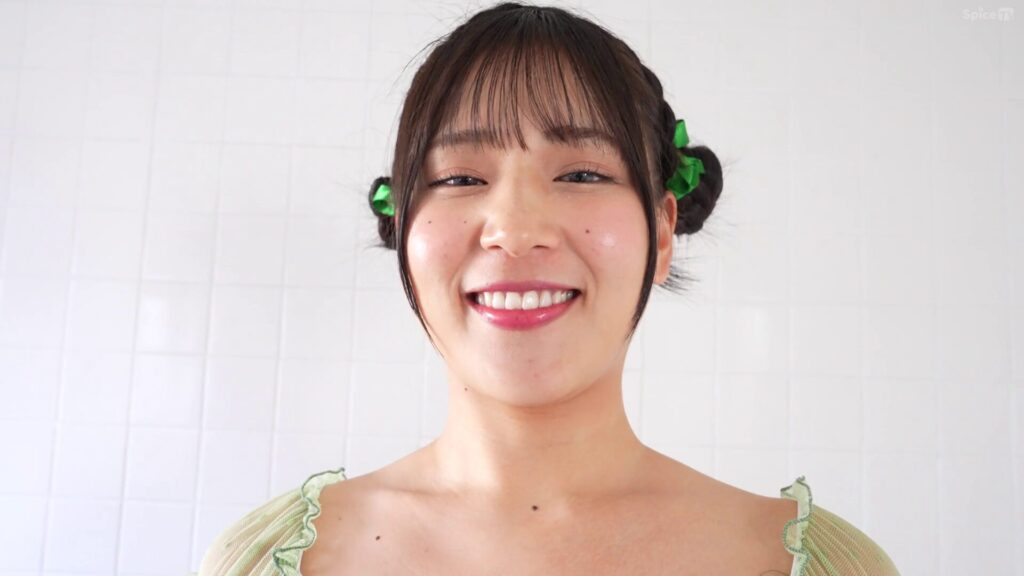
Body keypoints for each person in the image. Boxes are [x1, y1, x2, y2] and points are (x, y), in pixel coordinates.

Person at [196, 3, 900, 575]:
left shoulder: (812, 565)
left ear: (661, 232)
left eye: (582, 174)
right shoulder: (275, 561)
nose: (515, 229)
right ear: (405, 228)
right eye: (460, 178)